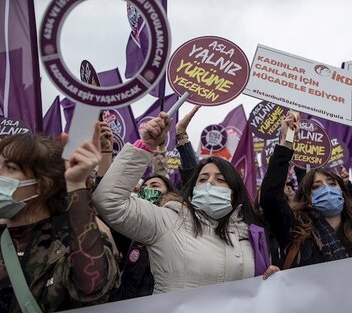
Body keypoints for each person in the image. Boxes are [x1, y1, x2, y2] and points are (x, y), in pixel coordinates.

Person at [93, 111, 278, 294]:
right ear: (193, 189)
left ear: (234, 192)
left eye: (220, 180)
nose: (210, 183)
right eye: (203, 179)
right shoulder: (169, 221)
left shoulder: (249, 234)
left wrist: (266, 281)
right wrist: (147, 146)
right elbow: (108, 201)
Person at [0, 124, 119, 312]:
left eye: (10, 168)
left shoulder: (70, 242)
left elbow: (92, 288)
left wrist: (76, 184)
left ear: (43, 185)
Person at [260, 112, 352, 269]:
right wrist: (286, 145)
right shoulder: (294, 230)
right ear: (307, 197)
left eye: (332, 183)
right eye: (316, 186)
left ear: (342, 191)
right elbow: (270, 199)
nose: (327, 189)